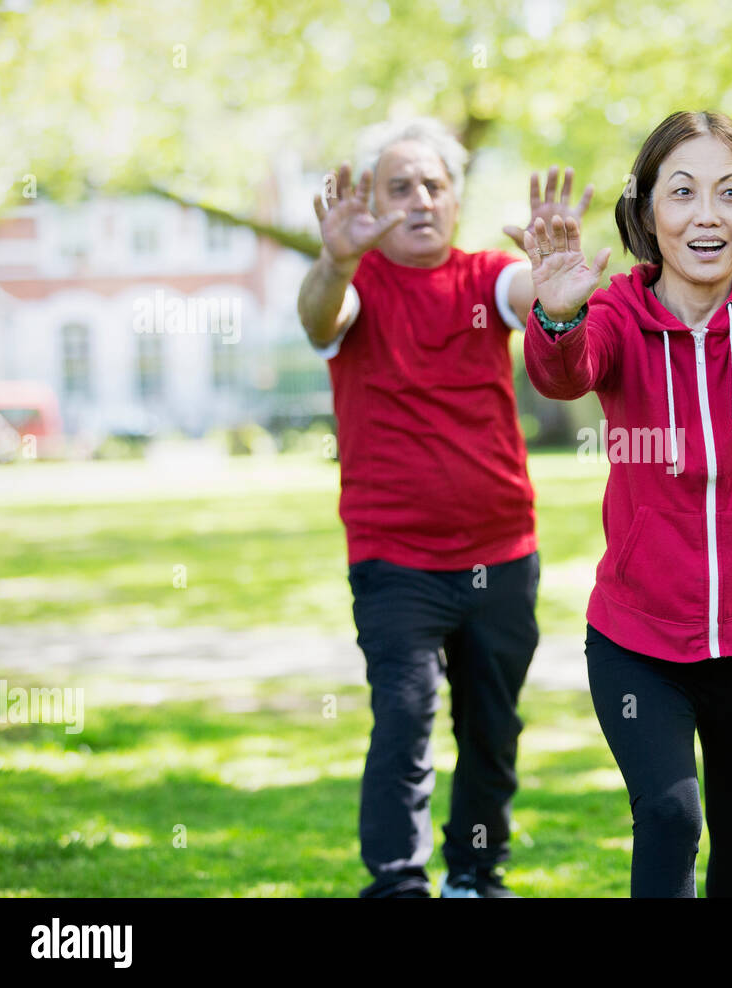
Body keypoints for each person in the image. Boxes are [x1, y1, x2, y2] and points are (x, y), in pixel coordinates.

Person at [523, 110, 732, 897]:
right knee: (671, 818)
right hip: (639, 639)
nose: (706, 214)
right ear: (645, 214)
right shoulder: (613, 316)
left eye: (729, 194)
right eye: (682, 193)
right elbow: (564, 373)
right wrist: (559, 314)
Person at [298, 116, 593, 898]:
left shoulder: (483, 278)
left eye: (435, 184)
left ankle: (476, 872)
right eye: (401, 187)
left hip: (501, 552)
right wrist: (332, 260)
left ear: (456, 198)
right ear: (374, 202)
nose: (421, 199)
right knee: (404, 720)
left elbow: (527, 294)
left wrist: (552, 271)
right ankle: (397, 880)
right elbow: (319, 317)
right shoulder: (357, 284)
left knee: (492, 730)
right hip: (394, 558)